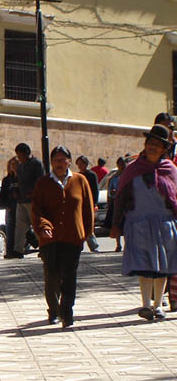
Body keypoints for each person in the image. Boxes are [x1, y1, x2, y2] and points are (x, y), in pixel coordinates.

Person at [111, 124, 177, 321]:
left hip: (165, 223)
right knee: (144, 265)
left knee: (163, 267)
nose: (153, 147)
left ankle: (158, 306)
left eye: (157, 144)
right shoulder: (133, 170)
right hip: (139, 223)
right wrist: (115, 225)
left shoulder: (171, 170)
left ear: (164, 148)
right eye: (150, 143)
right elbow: (121, 197)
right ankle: (146, 305)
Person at [31, 146, 94, 328]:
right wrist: (43, 227)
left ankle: (67, 312)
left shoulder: (80, 180)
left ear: (69, 161)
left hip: (73, 237)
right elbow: (36, 210)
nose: (59, 164)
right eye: (56, 160)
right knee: (52, 275)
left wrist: (87, 233)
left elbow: (87, 208)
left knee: (69, 276)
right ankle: (53, 311)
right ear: (51, 163)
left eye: (63, 160)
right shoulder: (43, 183)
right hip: (49, 239)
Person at [11, 143, 44, 258]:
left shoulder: (36, 164)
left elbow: (40, 180)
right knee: (20, 225)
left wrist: (34, 192)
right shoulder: (19, 167)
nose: (18, 157)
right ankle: (18, 250)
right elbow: (17, 180)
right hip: (21, 200)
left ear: (26, 153)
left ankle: (43, 248)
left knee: (36, 225)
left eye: (19, 154)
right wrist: (15, 190)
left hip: (32, 200)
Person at [75, 155, 101, 252]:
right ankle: (79, 245)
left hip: (89, 203)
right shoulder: (77, 176)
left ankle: (94, 246)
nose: (80, 165)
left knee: (89, 225)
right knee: (79, 225)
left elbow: (95, 190)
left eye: (81, 163)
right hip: (79, 203)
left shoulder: (91, 175)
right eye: (78, 164)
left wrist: (94, 203)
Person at [0, 157, 18, 257]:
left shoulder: (23, 178)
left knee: (24, 229)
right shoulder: (7, 180)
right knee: (10, 229)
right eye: (12, 164)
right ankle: (10, 251)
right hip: (10, 207)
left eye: (16, 164)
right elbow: (3, 194)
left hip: (23, 206)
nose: (14, 166)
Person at [103, 156, 127, 252]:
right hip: (116, 203)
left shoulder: (129, 176)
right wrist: (109, 202)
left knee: (126, 225)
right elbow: (109, 192)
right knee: (117, 224)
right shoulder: (114, 178)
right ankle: (118, 245)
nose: (121, 166)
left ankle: (127, 245)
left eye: (123, 164)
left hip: (126, 204)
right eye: (120, 164)